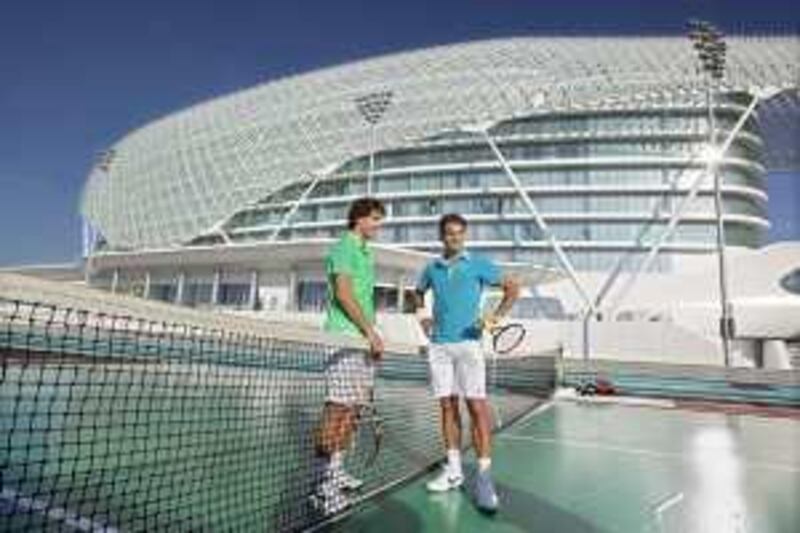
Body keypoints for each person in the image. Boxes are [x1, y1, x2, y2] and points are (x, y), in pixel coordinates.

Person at [414, 213, 519, 513]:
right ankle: (454, 471)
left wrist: (495, 317)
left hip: (469, 346)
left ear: (465, 236)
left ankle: (484, 480)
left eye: (459, 233)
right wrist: (423, 318)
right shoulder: (431, 268)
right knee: (447, 406)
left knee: (477, 408)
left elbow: (512, 288)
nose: (455, 238)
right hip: (439, 347)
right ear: (441, 236)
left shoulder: (479, 264)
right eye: (449, 233)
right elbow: (417, 294)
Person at [310, 197, 386, 515]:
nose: (379, 225)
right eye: (375, 219)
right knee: (337, 409)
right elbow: (343, 294)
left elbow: (364, 299)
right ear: (359, 219)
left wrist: (370, 337)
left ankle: (336, 471)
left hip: (361, 340)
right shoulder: (345, 247)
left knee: (352, 411)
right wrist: (370, 332)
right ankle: (321, 486)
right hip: (344, 337)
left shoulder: (366, 254)